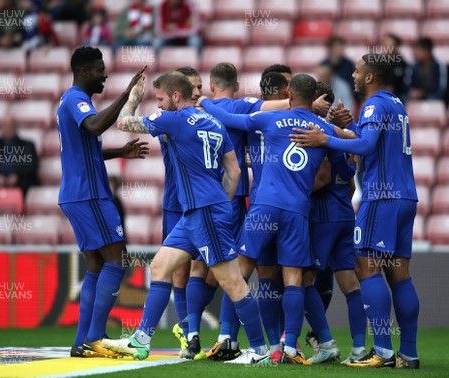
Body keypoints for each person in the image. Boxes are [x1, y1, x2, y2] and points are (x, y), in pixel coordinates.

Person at [101, 71, 271, 365]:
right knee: (160, 266)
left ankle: (259, 351)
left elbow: (123, 122)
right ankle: (141, 340)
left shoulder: (175, 119)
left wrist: (133, 98)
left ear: (176, 97)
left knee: (233, 283)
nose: (160, 105)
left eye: (161, 99)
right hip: (199, 211)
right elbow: (235, 172)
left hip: (204, 211)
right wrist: (221, 202)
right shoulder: (215, 123)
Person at [199, 74, 343, 365]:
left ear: (289, 92)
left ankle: (239, 342)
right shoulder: (324, 129)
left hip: (263, 207)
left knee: (239, 273)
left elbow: (226, 117)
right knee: (295, 279)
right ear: (313, 95)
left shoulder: (270, 119)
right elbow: (354, 157)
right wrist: (343, 133)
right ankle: (289, 347)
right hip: (299, 210)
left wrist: (202, 100)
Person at [290, 54, 420, 369]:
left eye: (358, 70)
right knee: (399, 276)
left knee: (367, 268)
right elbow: (372, 139)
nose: (353, 73)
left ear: (371, 77)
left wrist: (326, 139)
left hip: (381, 197)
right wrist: (352, 126)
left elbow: (366, 147)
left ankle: (383, 352)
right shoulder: (396, 104)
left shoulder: (375, 104)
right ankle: (409, 354)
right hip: (406, 198)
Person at [58, 46, 147, 358]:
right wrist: (125, 95)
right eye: (98, 69)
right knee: (117, 258)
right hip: (89, 194)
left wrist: (119, 153)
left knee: (96, 264)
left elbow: (84, 148)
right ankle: (96, 338)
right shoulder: (76, 99)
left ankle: (83, 341)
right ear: (83, 72)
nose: (104, 74)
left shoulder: (72, 101)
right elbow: (95, 127)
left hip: (77, 194)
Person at [303, 82, 367, 365]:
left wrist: (292, 190)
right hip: (344, 214)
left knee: (301, 281)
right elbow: (352, 186)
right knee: (350, 284)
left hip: (324, 217)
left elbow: (322, 177)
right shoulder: (344, 137)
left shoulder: (320, 134)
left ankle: (325, 342)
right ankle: (359, 349)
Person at [164, 66, 204, 359]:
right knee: (180, 272)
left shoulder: (206, 118)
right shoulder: (171, 121)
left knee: (205, 269)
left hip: (202, 203)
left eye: (201, 87)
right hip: (176, 203)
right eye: (193, 87)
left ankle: (196, 333)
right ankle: (188, 334)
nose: (199, 93)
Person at [0, 115, 39, 199]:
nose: (8, 128)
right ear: (1, 128)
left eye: (11, 125)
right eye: (5, 125)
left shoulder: (28, 145)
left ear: (16, 126)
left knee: (27, 185)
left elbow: (32, 166)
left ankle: (24, 210)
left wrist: (17, 176)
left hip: (20, 180)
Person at [383, 33, 408, 100]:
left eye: (390, 45)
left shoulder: (402, 64)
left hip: (398, 94)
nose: (388, 48)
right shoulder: (379, 63)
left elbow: (405, 83)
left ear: (396, 46)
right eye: (386, 45)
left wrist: (394, 88)